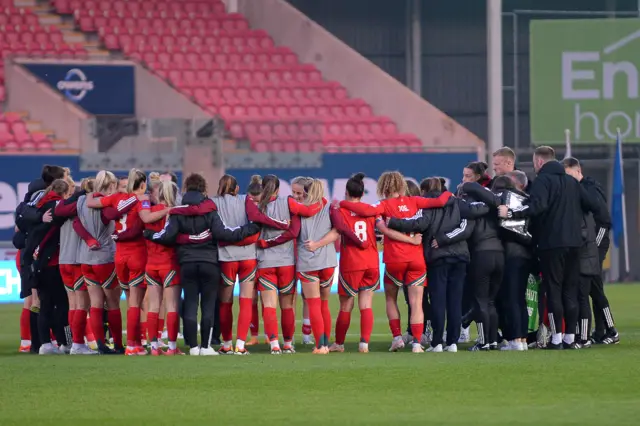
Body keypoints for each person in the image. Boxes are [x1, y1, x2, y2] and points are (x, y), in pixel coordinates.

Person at [499, 146, 606, 350]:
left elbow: (536, 206)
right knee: (570, 290)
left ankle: (556, 338)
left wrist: (511, 213)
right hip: (575, 244)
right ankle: (569, 337)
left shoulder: (543, 181)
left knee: (554, 290)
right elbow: (594, 204)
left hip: (551, 244)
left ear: (539, 162)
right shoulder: (572, 182)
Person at [145, 173, 260, 355]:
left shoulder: (177, 212)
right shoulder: (210, 210)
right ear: (203, 189)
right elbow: (224, 233)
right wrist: (250, 228)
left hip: (187, 263)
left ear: (185, 190)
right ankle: (206, 347)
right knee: (207, 305)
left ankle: (193, 347)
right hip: (209, 263)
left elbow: (167, 236)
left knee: (190, 304)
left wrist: (149, 234)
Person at [338, 171, 452, 352]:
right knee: (417, 302)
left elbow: (366, 211)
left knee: (391, 299)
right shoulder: (415, 201)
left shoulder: (383, 205)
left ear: (383, 187)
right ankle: (416, 344)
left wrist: (343, 203)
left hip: (394, 259)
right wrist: (449, 193)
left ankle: (397, 337)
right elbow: (440, 201)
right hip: (416, 259)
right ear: (401, 185)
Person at [86, 168, 169, 355]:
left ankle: (134, 343)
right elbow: (146, 218)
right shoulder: (142, 200)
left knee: (131, 300)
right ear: (143, 184)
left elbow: (92, 202)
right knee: (137, 302)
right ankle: (134, 344)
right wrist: (167, 210)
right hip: (138, 254)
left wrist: (93, 188)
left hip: (119, 256)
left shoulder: (116, 199)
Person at [388, 177, 471, 353]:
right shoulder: (457, 202)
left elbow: (419, 223)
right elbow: (468, 222)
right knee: (455, 301)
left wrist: (392, 222)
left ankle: (438, 342)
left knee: (438, 301)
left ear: (424, 192)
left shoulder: (427, 205)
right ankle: (453, 342)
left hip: (438, 258)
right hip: (460, 257)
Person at [253, 175, 323, 354]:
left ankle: (274, 344)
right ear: (278, 189)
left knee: (269, 304)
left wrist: (265, 243)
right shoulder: (288, 202)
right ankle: (287, 343)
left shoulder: (255, 205)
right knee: (287, 305)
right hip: (286, 263)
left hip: (265, 261)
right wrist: (321, 201)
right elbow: (303, 219)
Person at [463, 173, 533, 351]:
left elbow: (469, 187)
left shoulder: (493, 205)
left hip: (494, 255)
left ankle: (495, 340)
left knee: (489, 300)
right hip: (509, 256)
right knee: (505, 300)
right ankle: (517, 339)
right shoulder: (523, 202)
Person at [562, 158, 618, 345]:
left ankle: (609, 330)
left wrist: (594, 247)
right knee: (592, 287)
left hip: (596, 239)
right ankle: (602, 331)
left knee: (591, 284)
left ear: (578, 172)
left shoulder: (590, 188)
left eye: (570, 175)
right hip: (587, 240)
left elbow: (604, 219)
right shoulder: (577, 189)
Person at [324, 173, 379, 353]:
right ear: (363, 193)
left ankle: (339, 343)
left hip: (351, 263)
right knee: (366, 303)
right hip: (371, 260)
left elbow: (338, 231)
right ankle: (364, 344)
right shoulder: (370, 210)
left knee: (346, 305)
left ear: (346, 192)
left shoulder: (341, 211)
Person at [26, 179, 71, 354]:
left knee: (44, 303)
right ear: (65, 193)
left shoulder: (37, 207)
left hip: (38, 263)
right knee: (62, 304)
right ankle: (64, 342)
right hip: (54, 262)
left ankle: (45, 343)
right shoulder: (57, 208)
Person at [142, 179, 183, 355]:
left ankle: (153, 347)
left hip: (151, 264)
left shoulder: (148, 213)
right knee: (172, 306)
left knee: (153, 306)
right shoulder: (175, 213)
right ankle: (172, 347)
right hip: (169, 263)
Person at [291, 176, 315, 345]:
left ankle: (307, 335)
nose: (296, 195)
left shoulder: (316, 208)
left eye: (299, 192)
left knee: (308, 297)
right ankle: (289, 337)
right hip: (291, 257)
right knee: (290, 297)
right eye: (293, 192)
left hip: (309, 257)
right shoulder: (291, 207)